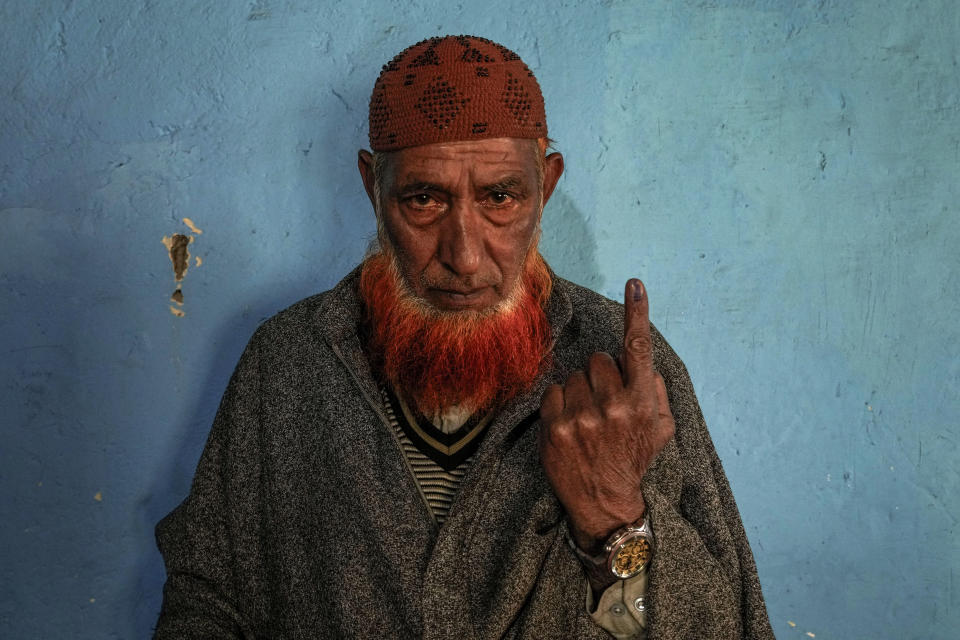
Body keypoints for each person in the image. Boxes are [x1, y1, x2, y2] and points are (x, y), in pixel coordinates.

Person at [155, 35, 774, 639]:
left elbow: (728, 624)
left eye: (501, 197)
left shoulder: (624, 367)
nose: (466, 257)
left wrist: (614, 516)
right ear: (373, 188)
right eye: (423, 200)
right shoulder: (289, 361)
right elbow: (207, 600)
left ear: (547, 185)